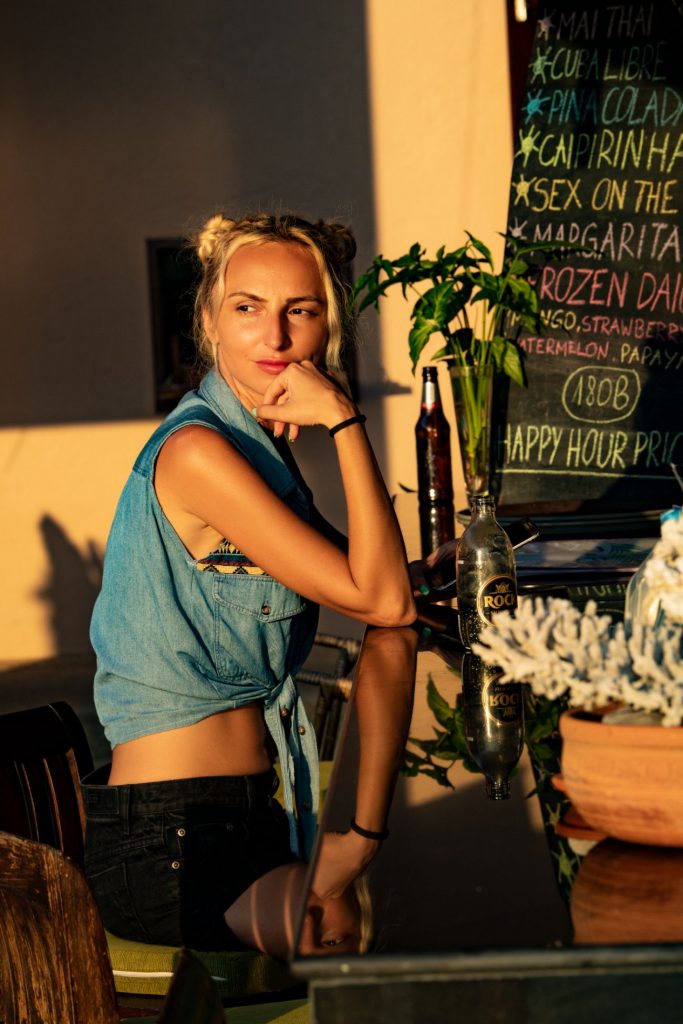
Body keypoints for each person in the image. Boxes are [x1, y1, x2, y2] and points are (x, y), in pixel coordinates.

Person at [83, 212, 416, 957]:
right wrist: (344, 418)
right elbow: (384, 600)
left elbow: (379, 584)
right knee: (360, 935)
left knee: (395, 916)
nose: (276, 336)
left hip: (250, 812)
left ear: (327, 327)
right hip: (169, 841)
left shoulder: (256, 449)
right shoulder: (198, 452)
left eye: (300, 310)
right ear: (208, 322)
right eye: (247, 308)